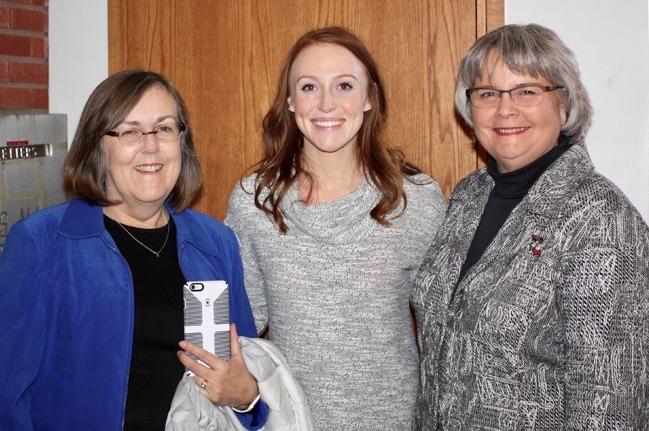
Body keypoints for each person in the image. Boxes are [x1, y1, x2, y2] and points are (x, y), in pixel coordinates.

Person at [0, 69, 268, 430]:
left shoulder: (215, 242)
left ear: (181, 142)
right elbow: (8, 397)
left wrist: (246, 398)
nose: (151, 145)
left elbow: (250, 377)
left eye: (164, 128)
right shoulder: (42, 243)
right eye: (129, 131)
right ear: (98, 145)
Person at [412, 23, 649, 430]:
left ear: (563, 104)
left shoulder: (600, 219)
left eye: (527, 91)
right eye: (488, 93)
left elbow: (612, 402)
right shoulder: (468, 196)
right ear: (470, 108)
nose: (506, 109)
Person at [225, 26, 446, 429]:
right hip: (290, 422)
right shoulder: (253, 203)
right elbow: (241, 333)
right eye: (309, 87)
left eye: (344, 85)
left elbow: (444, 335)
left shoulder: (414, 199)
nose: (326, 103)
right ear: (290, 101)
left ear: (369, 98)